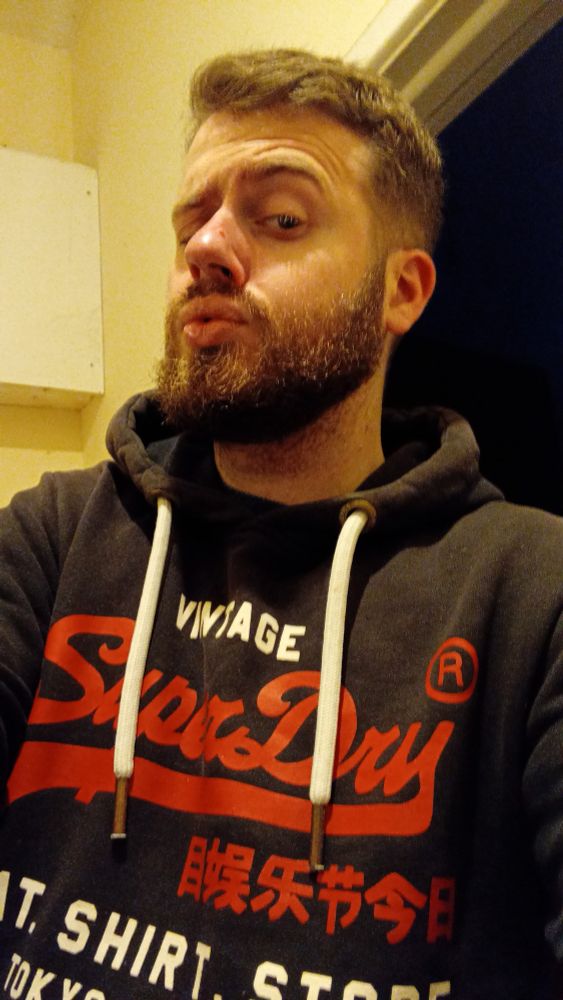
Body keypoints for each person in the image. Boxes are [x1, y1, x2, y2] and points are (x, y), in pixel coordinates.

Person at [0, 48, 561, 1000]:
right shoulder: (56, 537)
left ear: (402, 291)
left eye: (281, 218)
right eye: (192, 220)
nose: (206, 248)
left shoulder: (531, 597)